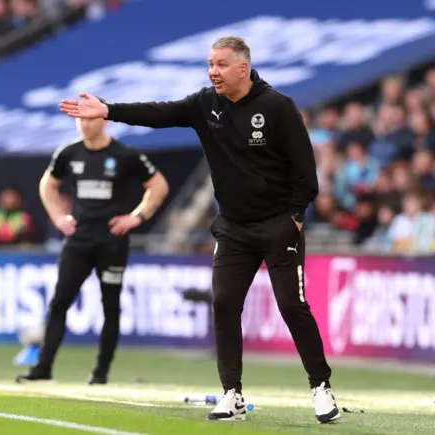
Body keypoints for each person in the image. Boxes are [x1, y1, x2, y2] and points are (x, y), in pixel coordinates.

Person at [59, 36, 340, 423]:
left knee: (292, 306)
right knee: (224, 304)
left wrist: (293, 217)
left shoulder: (277, 107)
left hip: (278, 227)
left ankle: (320, 387)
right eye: (210, 64)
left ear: (243, 68)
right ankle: (232, 395)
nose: (213, 71)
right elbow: (158, 112)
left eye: (221, 64)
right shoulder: (205, 104)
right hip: (234, 230)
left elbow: (305, 173)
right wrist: (109, 110)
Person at [16, 115, 169, 385]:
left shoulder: (125, 154)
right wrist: (59, 217)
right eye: (80, 119)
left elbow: (158, 185)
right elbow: (48, 185)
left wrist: (137, 217)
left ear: (105, 121)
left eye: (90, 119)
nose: (84, 124)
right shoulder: (69, 153)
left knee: (110, 306)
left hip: (112, 241)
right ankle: (43, 368)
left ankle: (100, 373)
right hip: (79, 241)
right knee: (59, 302)